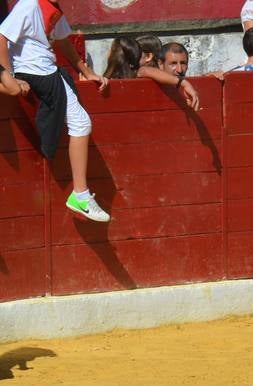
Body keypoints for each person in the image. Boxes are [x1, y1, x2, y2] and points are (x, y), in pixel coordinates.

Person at [0, 0, 111, 222]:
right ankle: (80, 194)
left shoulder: (50, 7)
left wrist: (87, 71)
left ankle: (80, 194)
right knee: (81, 123)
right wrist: (9, 77)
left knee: (80, 123)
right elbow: (1, 37)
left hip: (44, 71)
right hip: (36, 72)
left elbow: (63, 41)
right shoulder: (30, 4)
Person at [102, 35, 201, 111]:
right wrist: (183, 83)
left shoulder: (138, 72)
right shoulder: (137, 72)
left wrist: (183, 82)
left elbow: (146, 70)